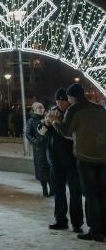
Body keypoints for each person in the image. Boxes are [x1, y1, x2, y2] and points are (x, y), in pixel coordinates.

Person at [50, 83, 106, 242]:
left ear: (72, 97)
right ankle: (104, 226)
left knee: (91, 194)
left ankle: (96, 230)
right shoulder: (100, 109)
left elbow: (65, 131)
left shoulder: (74, 109)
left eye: (67, 98)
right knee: (103, 193)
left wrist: (54, 122)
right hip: (103, 156)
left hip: (85, 156)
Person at [39, 88, 83, 232]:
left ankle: (77, 223)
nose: (60, 104)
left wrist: (57, 122)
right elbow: (41, 132)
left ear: (68, 101)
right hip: (55, 159)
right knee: (58, 192)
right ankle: (60, 220)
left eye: (63, 101)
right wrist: (46, 123)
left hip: (72, 160)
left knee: (75, 193)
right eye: (58, 101)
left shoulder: (73, 113)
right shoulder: (52, 112)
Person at [26, 102, 52, 197]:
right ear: (34, 110)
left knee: (50, 169)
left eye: (42, 108)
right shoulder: (31, 121)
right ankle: (45, 190)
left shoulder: (47, 119)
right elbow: (28, 134)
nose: (41, 109)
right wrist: (36, 142)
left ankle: (52, 190)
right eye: (39, 108)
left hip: (49, 147)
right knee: (42, 171)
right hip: (39, 150)